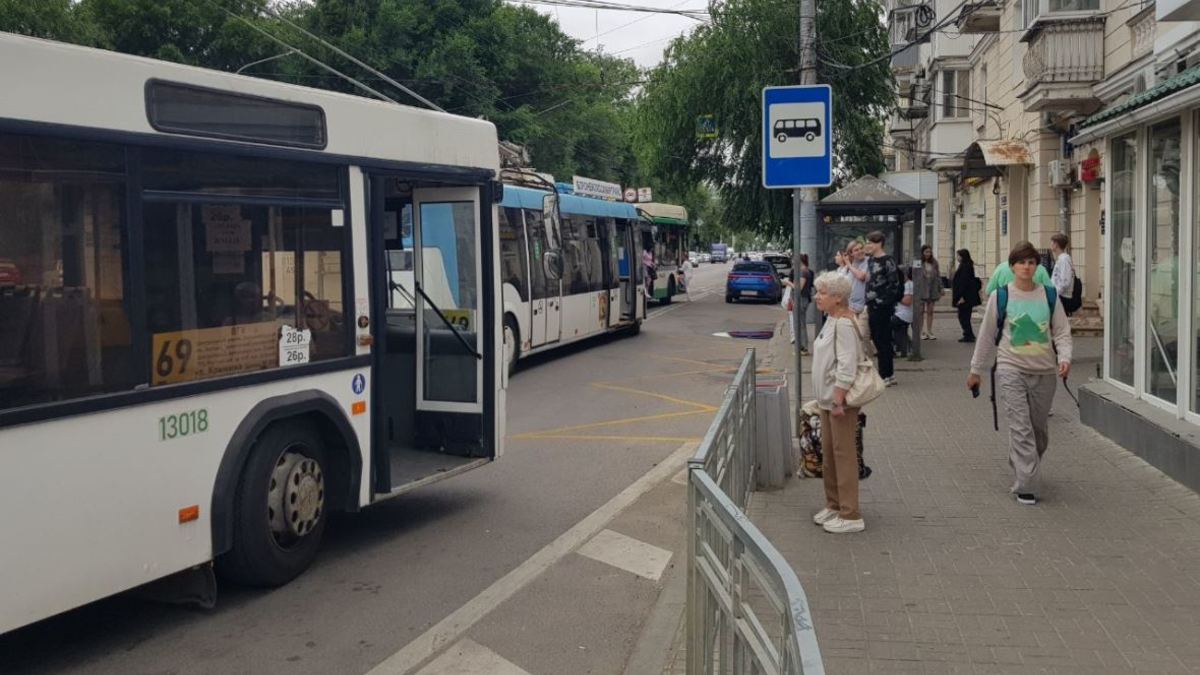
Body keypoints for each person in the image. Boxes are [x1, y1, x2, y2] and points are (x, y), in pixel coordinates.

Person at [966, 241, 1073, 506]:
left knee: (1039, 431)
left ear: (1037, 266)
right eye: (1022, 262)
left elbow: (1061, 331)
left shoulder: (1049, 295)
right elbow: (987, 336)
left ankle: (1021, 463)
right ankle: (1026, 485)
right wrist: (975, 370)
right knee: (1021, 426)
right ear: (1012, 266)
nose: (1027, 267)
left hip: (1045, 370)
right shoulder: (1001, 296)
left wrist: (1066, 357)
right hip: (1011, 368)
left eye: (1031, 262)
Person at [809, 271, 866, 533]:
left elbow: (847, 365)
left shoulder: (843, 323)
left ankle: (851, 514)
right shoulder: (831, 319)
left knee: (843, 456)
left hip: (838, 402)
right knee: (830, 455)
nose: (817, 297)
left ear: (838, 297)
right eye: (817, 291)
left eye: (822, 293)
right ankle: (834, 505)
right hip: (827, 400)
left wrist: (839, 398)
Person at [863, 231, 901, 386]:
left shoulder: (888, 261)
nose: (868, 246)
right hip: (872, 305)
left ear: (879, 243)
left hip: (882, 307)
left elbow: (894, 285)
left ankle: (885, 374)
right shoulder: (871, 260)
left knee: (883, 340)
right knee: (878, 339)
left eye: (870, 243)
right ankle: (888, 373)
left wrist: (883, 301)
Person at [951, 248, 981, 342]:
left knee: (963, 316)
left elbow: (964, 283)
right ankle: (968, 334)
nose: (957, 258)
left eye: (958, 256)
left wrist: (961, 297)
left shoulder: (965, 267)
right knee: (965, 316)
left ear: (962, 256)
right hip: (966, 296)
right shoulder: (965, 265)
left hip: (965, 297)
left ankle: (968, 335)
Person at [917, 245, 943, 340]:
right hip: (921, 289)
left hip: (932, 289)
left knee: (930, 311)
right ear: (922, 252)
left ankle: (929, 331)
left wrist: (941, 288)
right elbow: (913, 275)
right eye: (926, 252)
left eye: (930, 252)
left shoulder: (934, 262)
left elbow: (938, 276)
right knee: (920, 311)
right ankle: (920, 331)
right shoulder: (918, 262)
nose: (928, 254)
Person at [986, 257, 1050, 295]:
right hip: (1036, 305)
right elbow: (1050, 290)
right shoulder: (1040, 268)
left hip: (1007, 307)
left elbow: (989, 291)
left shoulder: (1001, 267)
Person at [1050, 233, 1076, 315]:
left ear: (1056, 244)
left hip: (1062, 297)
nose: (1051, 245)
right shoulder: (1061, 259)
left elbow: (1065, 281)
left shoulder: (1064, 260)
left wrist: (1055, 294)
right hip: (1060, 296)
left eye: (1052, 242)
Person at [892, 268, 913, 357]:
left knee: (887, 325)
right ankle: (904, 348)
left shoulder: (908, 285)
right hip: (899, 313)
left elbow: (907, 301)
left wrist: (895, 296)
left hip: (904, 314)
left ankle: (897, 348)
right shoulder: (902, 285)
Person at [845, 240, 869, 314]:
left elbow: (861, 276)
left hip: (862, 306)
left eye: (861, 248)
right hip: (850, 305)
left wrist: (848, 264)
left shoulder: (868, 261)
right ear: (851, 253)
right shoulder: (852, 264)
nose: (860, 251)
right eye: (856, 250)